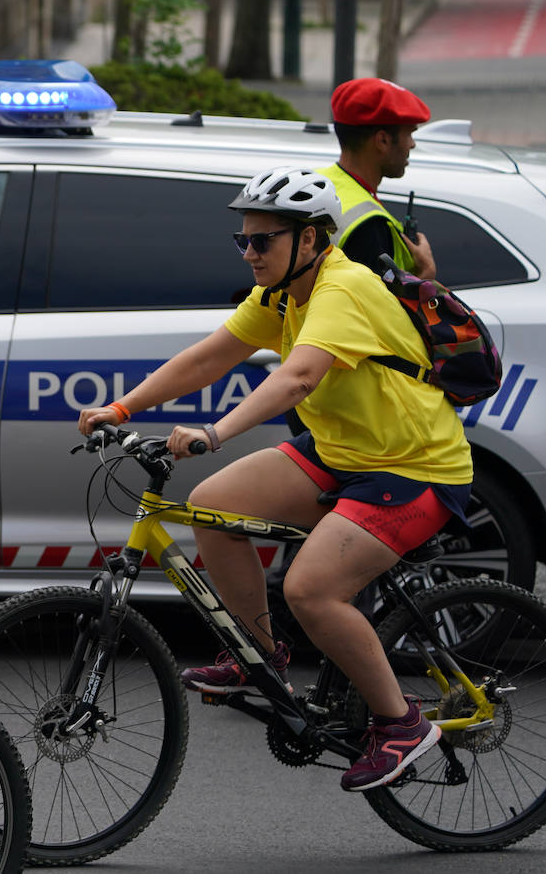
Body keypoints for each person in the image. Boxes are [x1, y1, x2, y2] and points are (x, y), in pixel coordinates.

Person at [78, 167, 472, 791]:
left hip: (413, 467)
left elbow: (298, 378)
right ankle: (258, 656)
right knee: (213, 505)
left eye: (264, 241)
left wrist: (215, 433)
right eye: (244, 241)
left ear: (311, 240)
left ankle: (400, 722)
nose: (250, 252)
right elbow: (210, 356)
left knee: (312, 591)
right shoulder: (283, 294)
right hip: (343, 451)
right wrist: (122, 408)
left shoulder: (343, 289)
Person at [317, 77, 436, 279]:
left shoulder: (315, 182)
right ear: (382, 141)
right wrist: (426, 274)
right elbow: (378, 309)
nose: (412, 145)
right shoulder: (369, 227)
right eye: (409, 135)